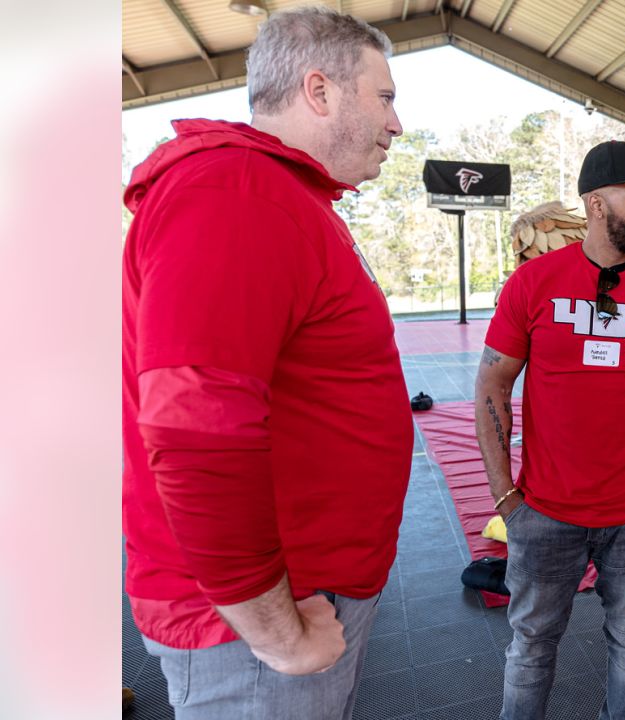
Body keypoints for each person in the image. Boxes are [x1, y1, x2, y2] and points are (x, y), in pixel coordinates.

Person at [122, 7, 410, 719]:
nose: (397, 123)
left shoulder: (277, 196)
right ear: (320, 91)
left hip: (296, 596)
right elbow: (195, 427)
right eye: (385, 97)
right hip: (258, 628)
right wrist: (277, 631)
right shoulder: (237, 192)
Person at [475, 140, 625, 720]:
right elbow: (492, 386)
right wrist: (505, 495)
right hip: (543, 514)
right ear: (595, 204)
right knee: (532, 648)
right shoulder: (533, 283)